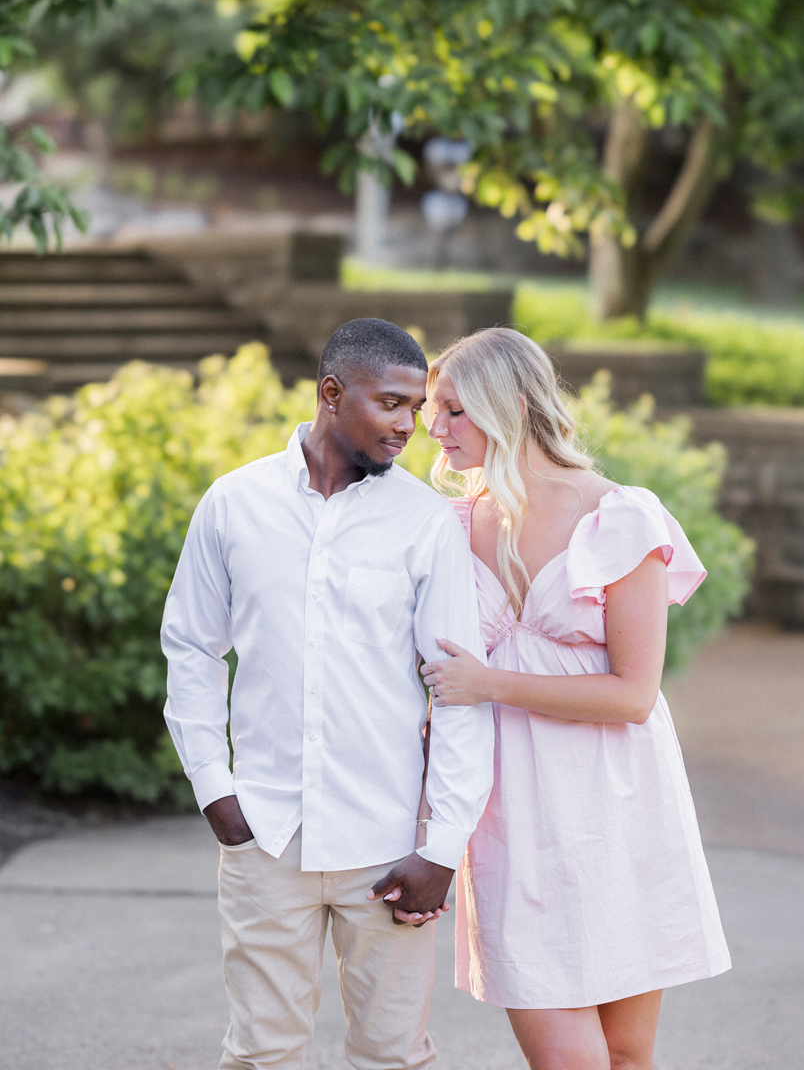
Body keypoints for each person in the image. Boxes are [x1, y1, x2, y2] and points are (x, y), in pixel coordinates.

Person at [161, 317, 493, 1070]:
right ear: (331, 392)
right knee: (259, 1053)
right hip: (265, 834)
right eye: (391, 404)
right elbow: (190, 648)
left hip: (387, 847)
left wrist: (441, 847)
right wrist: (217, 791)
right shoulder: (233, 503)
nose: (410, 426)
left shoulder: (424, 524)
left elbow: (459, 690)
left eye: (418, 407)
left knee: (391, 1056)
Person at [415, 327, 731, 1070]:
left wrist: (489, 684)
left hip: (618, 804)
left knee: (626, 1054)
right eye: (435, 411)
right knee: (569, 1062)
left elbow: (633, 694)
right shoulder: (452, 526)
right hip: (512, 815)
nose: (434, 429)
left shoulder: (621, 518)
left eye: (454, 410)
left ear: (512, 408)